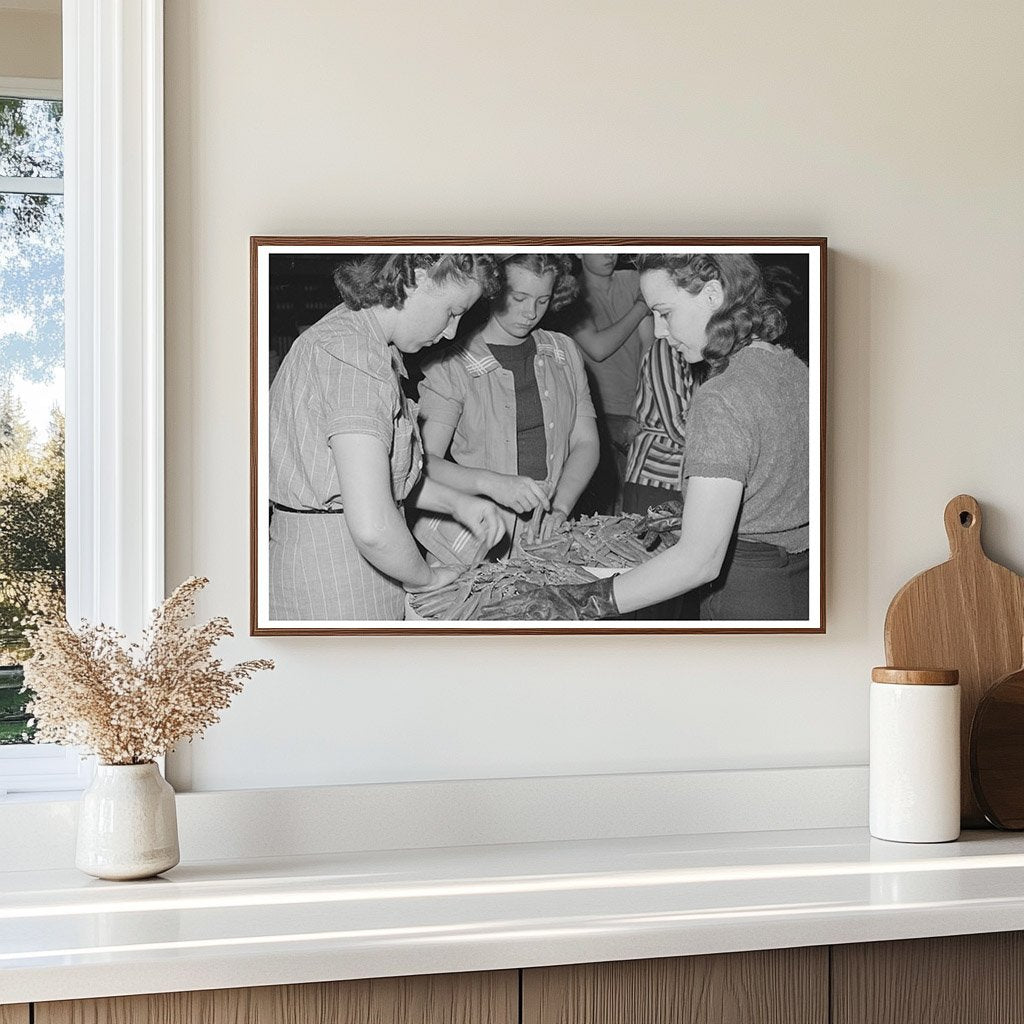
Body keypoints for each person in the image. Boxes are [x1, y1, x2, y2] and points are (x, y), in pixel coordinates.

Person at [483, 253, 809, 622]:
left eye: (665, 312)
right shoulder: (794, 370)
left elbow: (699, 561)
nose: (658, 331)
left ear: (713, 295)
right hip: (800, 579)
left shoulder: (722, 395)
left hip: (749, 589)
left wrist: (579, 601)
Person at [269, 253, 507, 621]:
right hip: (337, 578)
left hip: (343, 564)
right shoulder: (355, 358)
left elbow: (369, 482)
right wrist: (425, 579)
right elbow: (373, 527)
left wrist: (458, 504)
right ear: (417, 277)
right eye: (452, 311)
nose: (451, 332)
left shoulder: (350, 334)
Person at [415, 253, 600, 562]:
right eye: (519, 297)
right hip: (474, 540)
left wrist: (561, 506)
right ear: (494, 289)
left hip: (546, 538)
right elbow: (424, 463)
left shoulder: (564, 353)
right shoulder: (451, 366)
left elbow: (586, 442)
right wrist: (491, 482)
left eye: (543, 300)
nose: (531, 312)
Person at [570, 254, 654, 513]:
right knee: (603, 508)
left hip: (638, 410)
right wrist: (641, 307)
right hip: (596, 415)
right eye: (600, 246)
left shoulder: (633, 280)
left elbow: (648, 347)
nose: (610, 253)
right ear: (579, 250)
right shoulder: (570, 292)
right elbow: (598, 348)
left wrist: (642, 406)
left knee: (638, 506)